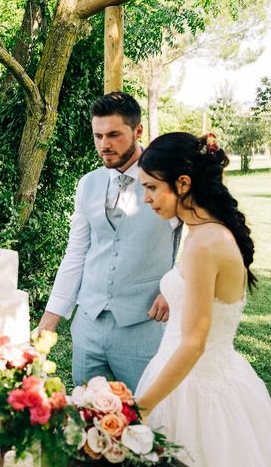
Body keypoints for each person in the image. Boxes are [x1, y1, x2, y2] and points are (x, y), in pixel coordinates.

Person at [134, 132, 271, 466]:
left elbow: (195, 343)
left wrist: (138, 411)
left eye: (152, 187)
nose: (146, 198)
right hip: (181, 372)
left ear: (182, 183)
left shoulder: (204, 243)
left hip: (195, 388)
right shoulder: (204, 230)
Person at [37, 92, 180, 393]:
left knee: (148, 425)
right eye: (98, 135)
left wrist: (177, 284)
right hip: (88, 326)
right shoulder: (88, 183)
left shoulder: (168, 181)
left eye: (114, 135)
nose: (104, 145)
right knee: (90, 420)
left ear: (138, 131)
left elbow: (201, 236)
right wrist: (49, 322)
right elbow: (75, 253)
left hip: (144, 327)